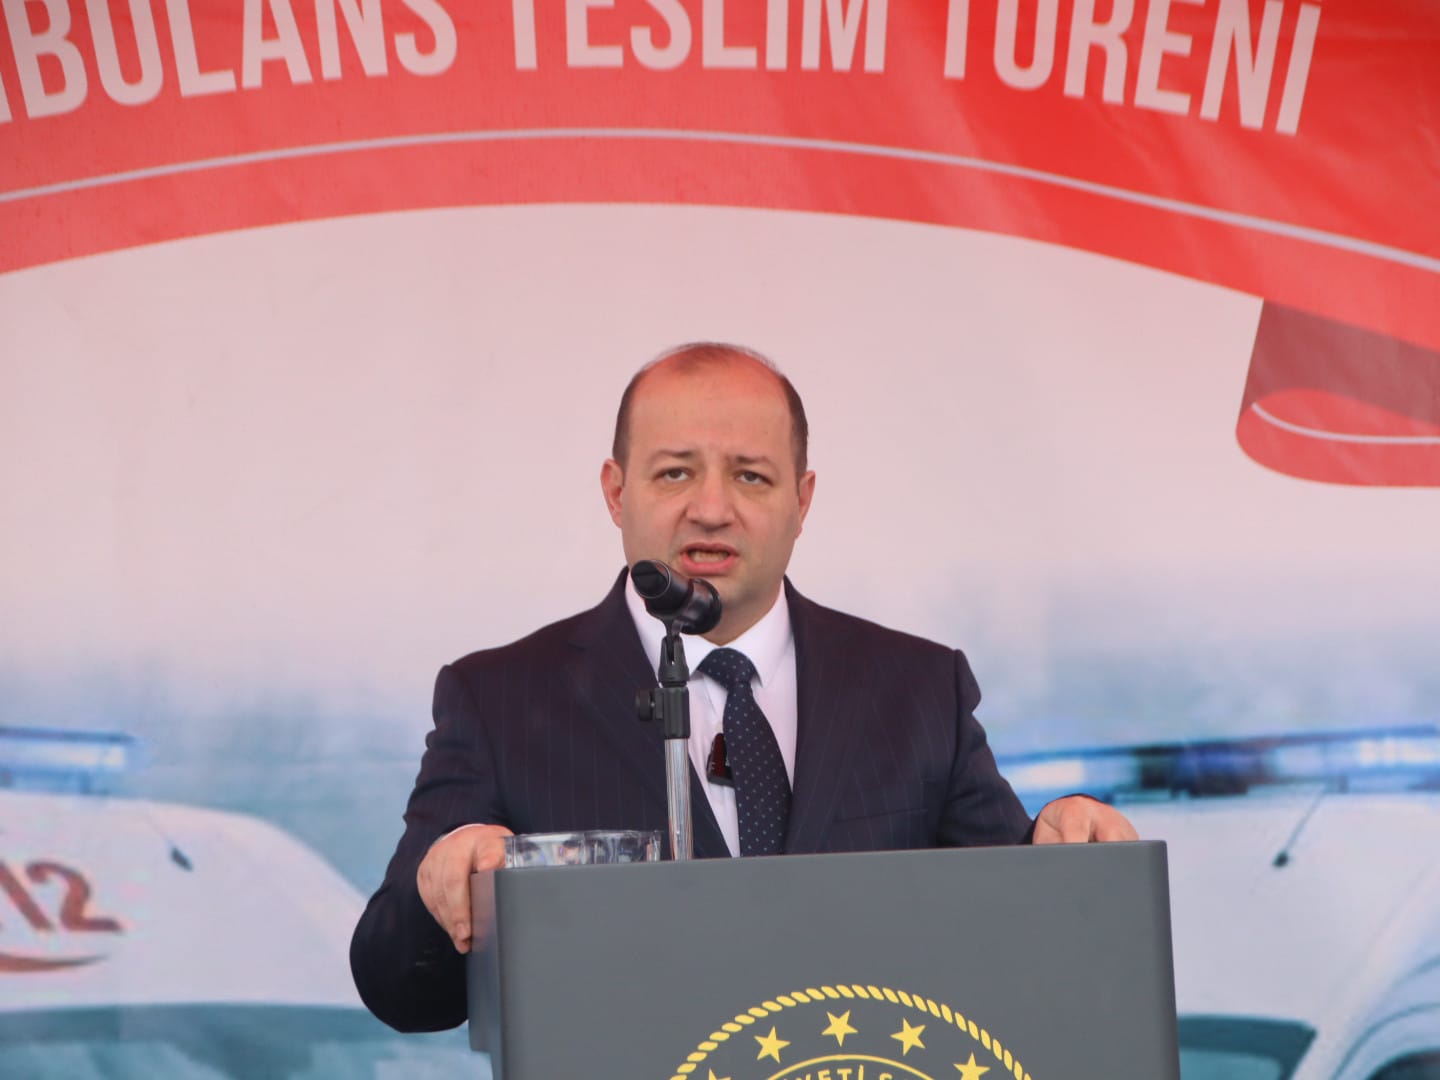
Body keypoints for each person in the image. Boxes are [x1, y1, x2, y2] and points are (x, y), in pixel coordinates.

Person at [349, 342, 1137, 1033]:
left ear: (802, 499)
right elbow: (398, 989)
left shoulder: (919, 689)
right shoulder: (499, 699)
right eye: (675, 472)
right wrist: (443, 887)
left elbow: (1017, 934)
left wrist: (1062, 852)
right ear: (616, 492)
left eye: (751, 476)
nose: (712, 509)